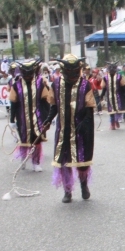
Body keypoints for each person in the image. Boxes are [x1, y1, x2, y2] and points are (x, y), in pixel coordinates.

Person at [41, 55, 95, 203]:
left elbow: (89, 109)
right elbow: (54, 107)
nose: (72, 75)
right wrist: (48, 120)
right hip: (63, 130)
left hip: (81, 130)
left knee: (82, 161)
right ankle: (67, 191)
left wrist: (84, 124)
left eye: (75, 72)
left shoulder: (85, 84)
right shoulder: (56, 84)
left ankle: (84, 185)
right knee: (64, 161)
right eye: (69, 72)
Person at [9, 58, 51, 172]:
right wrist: (12, 120)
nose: (27, 76)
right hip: (22, 118)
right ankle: (23, 159)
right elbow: (14, 104)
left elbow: (45, 102)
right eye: (25, 73)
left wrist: (49, 117)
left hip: (38, 118)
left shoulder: (40, 84)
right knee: (24, 140)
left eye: (30, 73)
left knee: (36, 140)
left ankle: (36, 163)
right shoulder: (16, 85)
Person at [100, 62, 125, 130]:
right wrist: (102, 95)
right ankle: (112, 123)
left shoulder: (119, 77)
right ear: (108, 69)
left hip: (118, 96)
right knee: (111, 110)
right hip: (110, 97)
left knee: (118, 109)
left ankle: (116, 120)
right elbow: (104, 88)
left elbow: (123, 87)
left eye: (113, 68)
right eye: (110, 68)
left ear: (115, 69)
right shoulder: (105, 78)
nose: (112, 70)